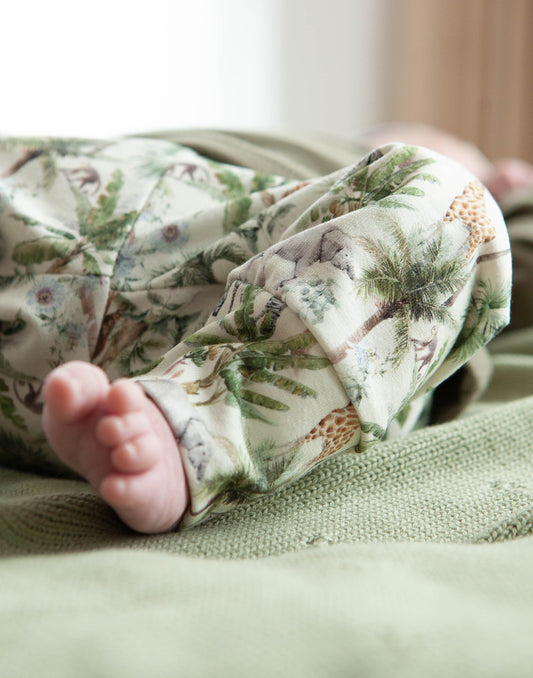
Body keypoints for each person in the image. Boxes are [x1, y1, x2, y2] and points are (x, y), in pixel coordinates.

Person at [0, 130, 514, 533]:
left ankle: (196, 425)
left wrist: (503, 193)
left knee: (453, 206)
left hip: (215, 332)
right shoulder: (303, 154)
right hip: (83, 196)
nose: (509, 170)